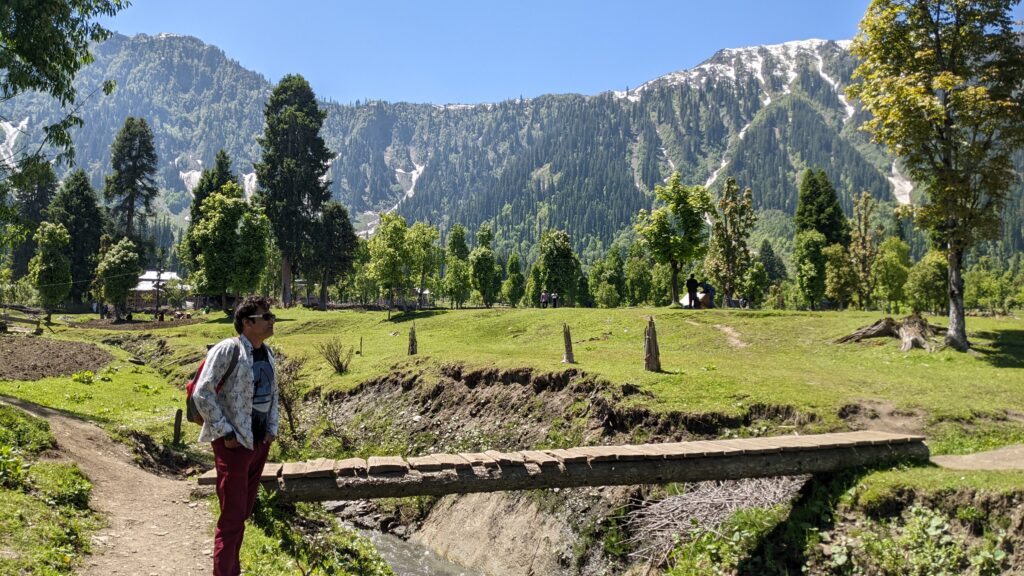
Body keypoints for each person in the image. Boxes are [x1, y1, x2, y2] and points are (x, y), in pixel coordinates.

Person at [193, 295, 279, 576]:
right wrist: (225, 431)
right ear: (246, 322)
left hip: (258, 442)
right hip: (234, 443)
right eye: (266, 317)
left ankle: (233, 569)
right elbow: (202, 393)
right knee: (232, 516)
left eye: (271, 316)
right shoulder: (228, 350)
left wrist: (271, 430)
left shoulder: (266, 353)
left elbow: (273, 394)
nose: (271, 321)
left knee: (243, 512)